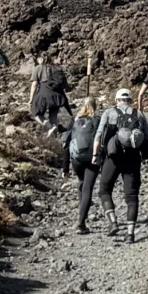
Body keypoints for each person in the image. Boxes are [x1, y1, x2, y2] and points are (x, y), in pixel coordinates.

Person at [84, 88, 148, 239]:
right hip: (133, 158)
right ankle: (130, 233)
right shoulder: (138, 114)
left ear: (116, 100)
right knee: (132, 196)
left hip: (112, 158)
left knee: (104, 190)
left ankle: (113, 222)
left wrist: (95, 155)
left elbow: (99, 136)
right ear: (131, 100)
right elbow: (147, 138)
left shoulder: (109, 113)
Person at [65, 99, 100, 233]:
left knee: (81, 182)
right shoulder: (98, 121)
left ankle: (82, 212)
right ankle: (81, 223)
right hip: (92, 158)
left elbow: (67, 142)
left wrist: (65, 167)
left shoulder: (75, 121)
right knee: (88, 188)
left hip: (76, 159)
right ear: (95, 107)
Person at [31, 59, 73, 135]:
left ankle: (50, 127)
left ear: (40, 59)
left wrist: (31, 99)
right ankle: (55, 136)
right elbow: (66, 86)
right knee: (53, 115)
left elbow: (34, 84)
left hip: (45, 92)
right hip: (58, 94)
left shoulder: (38, 68)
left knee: (35, 113)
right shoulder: (57, 67)